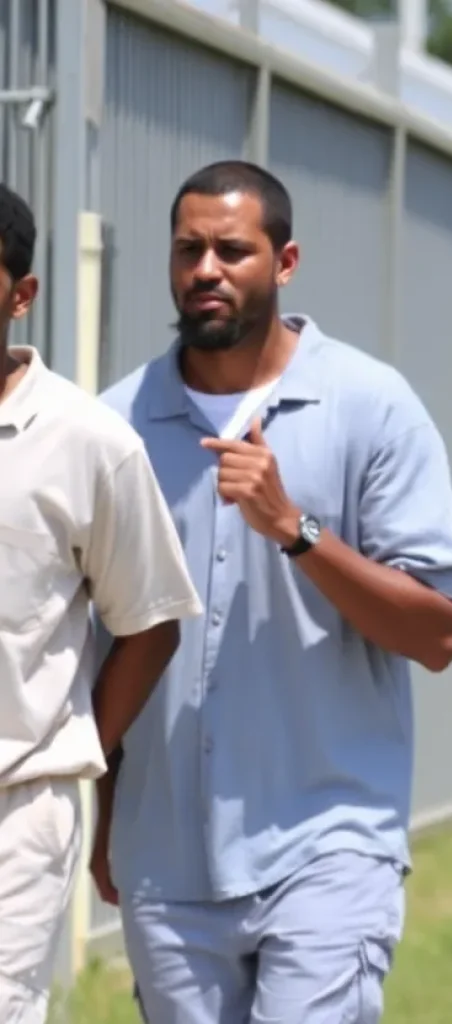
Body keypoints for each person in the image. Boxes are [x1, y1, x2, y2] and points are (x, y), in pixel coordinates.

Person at [92, 160, 452, 1023]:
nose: (207, 270)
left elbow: (437, 634)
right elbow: (105, 645)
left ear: (286, 261)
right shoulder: (114, 427)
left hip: (329, 844)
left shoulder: (371, 406)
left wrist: (295, 529)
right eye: (189, 249)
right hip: (166, 857)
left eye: (233, 250)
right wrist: (112, 815)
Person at [0, 184, 202, 1021]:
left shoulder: (88, 441)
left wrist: (74, 744)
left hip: (15, 809)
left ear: (22, 294)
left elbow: (149, 623)